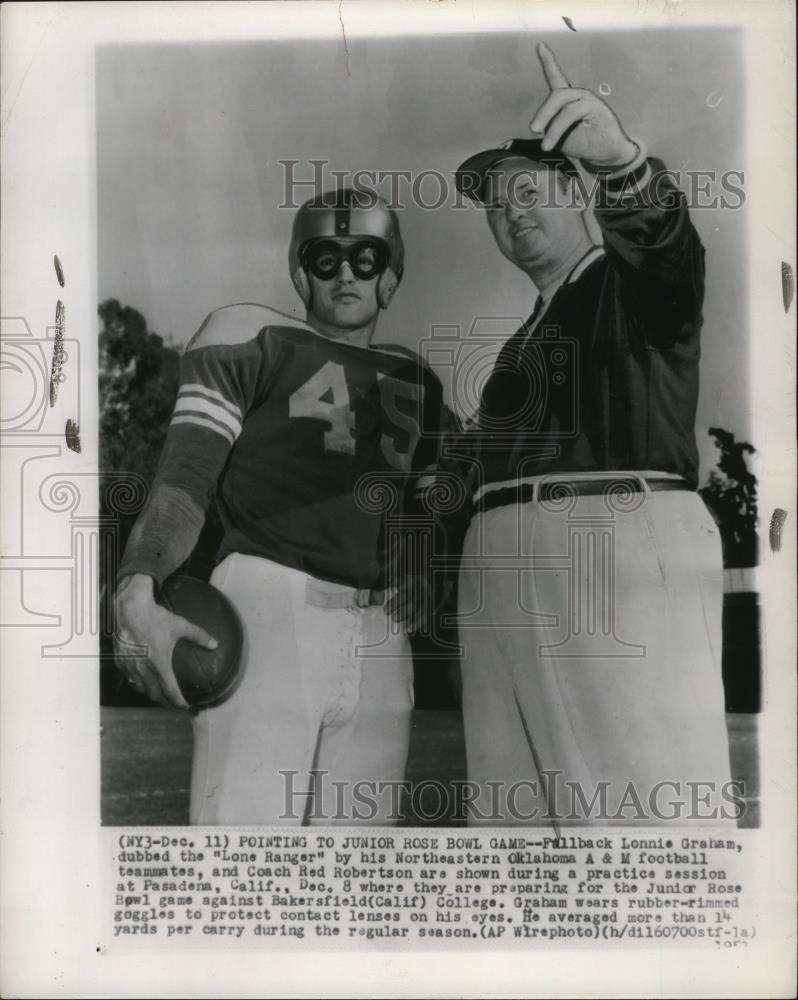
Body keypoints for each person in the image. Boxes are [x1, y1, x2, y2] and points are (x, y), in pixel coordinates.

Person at [451, 43, 734, 826]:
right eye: (494, 204)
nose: (510, 211)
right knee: (517, 847)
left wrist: (622, 165)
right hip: (503, 571)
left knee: (643, 826)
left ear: (576, 191)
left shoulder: (623, 282)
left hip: (611, 543)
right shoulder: (519, 345)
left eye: (527, 190)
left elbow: (667, 251)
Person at [114, 188, 444, 825]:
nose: (346, 272)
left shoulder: (419, 383)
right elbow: (186, 479)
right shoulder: (252, 336)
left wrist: (423, 564)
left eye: (366, 258)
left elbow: (423, 509)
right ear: (301, 275)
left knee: (358, 884)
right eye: (326, 259)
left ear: (391, 278)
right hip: (270, 604)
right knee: (243, 858)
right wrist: (138, 583)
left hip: (380, 633)